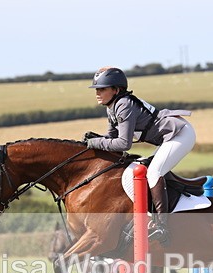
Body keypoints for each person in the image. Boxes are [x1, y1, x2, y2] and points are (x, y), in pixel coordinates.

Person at [83, 66, 196, 244]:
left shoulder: (124, 105)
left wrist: (95, 143)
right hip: (169, 137)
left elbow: (123, 144)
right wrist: (97, 139)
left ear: (116, 90)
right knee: (147, 167)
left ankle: (162, 226)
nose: (97, 93)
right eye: (97, 89)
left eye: (102, 89)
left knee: (153, 173)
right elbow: (112, 140)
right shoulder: (112, 107)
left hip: (180, 134)